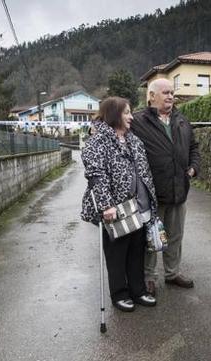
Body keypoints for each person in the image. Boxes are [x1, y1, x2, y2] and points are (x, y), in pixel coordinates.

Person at [81, 97, 157, 312]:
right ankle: (119, 294)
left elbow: (144, 170)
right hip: (116, 209)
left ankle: (138, 290)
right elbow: (96, 175)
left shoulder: (133, 139)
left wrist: (150, 200)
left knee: (137, 251)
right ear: (114, 115)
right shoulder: (97, 142)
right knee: (117, 254)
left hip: (138, 206)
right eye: (126, 113)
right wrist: (106, 206)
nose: (131, 117)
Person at [131, 78, 200, 296]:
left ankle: (172, 273)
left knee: (175, 236)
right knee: (152, 237)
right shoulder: (138, 121)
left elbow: (194, 147)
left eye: (172, 92)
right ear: (151, 96)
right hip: (152, 194)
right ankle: (148, 277)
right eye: (165, 92)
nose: (171, 96)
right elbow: (116, 133)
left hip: (179, 190)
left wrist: (194, 168)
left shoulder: (181, 120)